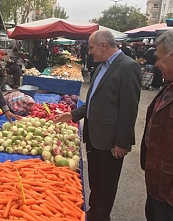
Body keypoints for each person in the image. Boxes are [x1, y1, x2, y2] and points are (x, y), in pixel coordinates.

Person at [54, 30, 142, 221]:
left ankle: (102, 217)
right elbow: (94, 101)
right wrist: (73, 114)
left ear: (103, 45)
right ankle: (94, 212)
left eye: (91, 48)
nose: (89, 52)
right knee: (95, 181)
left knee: (106, 185)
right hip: (94, 137)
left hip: (111, 141)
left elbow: (129, 109)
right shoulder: (101, 67)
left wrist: (122, 142)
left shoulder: (128, 67)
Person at [140, 30, 173, 221]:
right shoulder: (171, 85)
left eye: (158, 58)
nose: (156, 64)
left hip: (171, 191)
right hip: (157, 183)